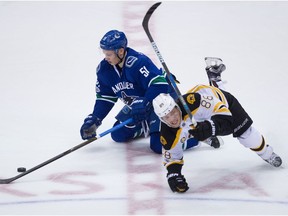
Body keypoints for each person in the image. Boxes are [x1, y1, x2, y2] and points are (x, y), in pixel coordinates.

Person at [152, 57, 282, 193]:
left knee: (247, 136)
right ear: (161, 119)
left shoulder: (194, 102)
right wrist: (174, 175)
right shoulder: (167, 132)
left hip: (221, 104)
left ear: (176, 106)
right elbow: (172, 156)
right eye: (166, 117)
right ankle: (214, 78)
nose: (173, 119)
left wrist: (209, 128)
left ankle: (267, 153)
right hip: (203, 113)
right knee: (191, 130)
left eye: (173, 112)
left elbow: (227, 119)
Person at [80, 29, 201, 154]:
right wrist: (95, 118)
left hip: (161, 100)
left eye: (109, 54)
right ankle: (149, 126)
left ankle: (198, 137)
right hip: (140, 106)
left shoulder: (138, 62)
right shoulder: (104, 70)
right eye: (105, 54)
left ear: (120, 51)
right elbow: (105, 98)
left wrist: (145, 102)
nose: (106, 58)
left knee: (158, 145)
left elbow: (159, 85)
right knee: (117, 134)